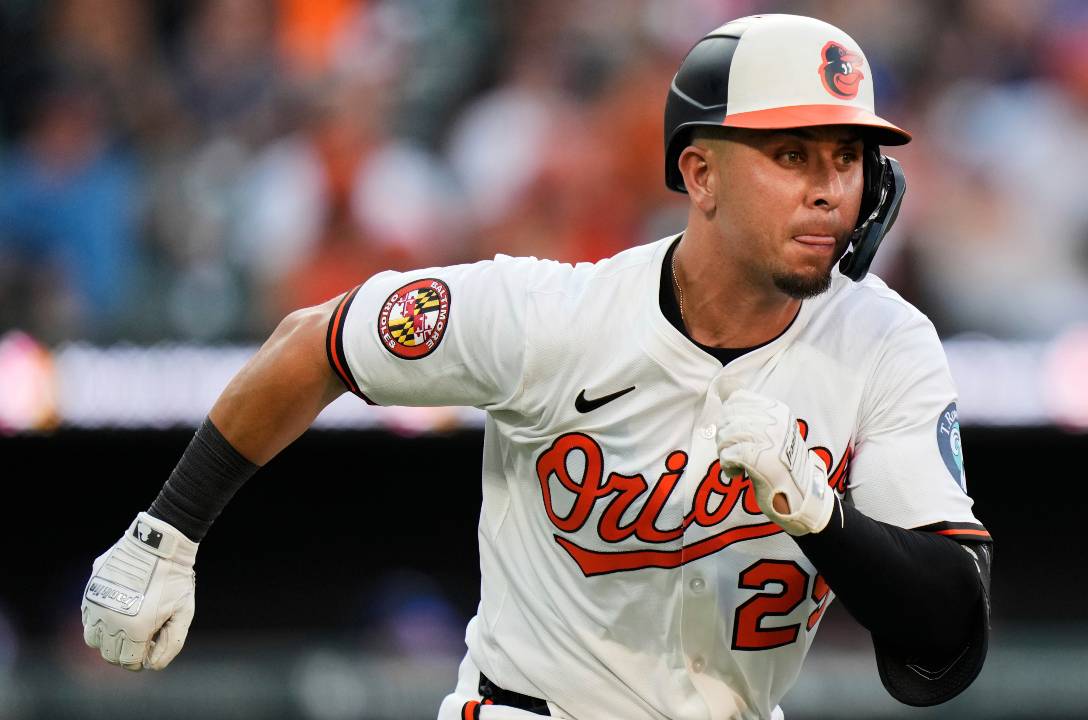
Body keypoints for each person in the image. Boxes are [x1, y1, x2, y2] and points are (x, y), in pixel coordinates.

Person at [81, 14, 993, 719]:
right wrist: (168, 531)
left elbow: (949, 637)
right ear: (700, 175)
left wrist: (822, 517)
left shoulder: (885, 342)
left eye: (847, 158)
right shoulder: (553, 316)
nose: (830, 189)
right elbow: (317, 342)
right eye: (792, 155)